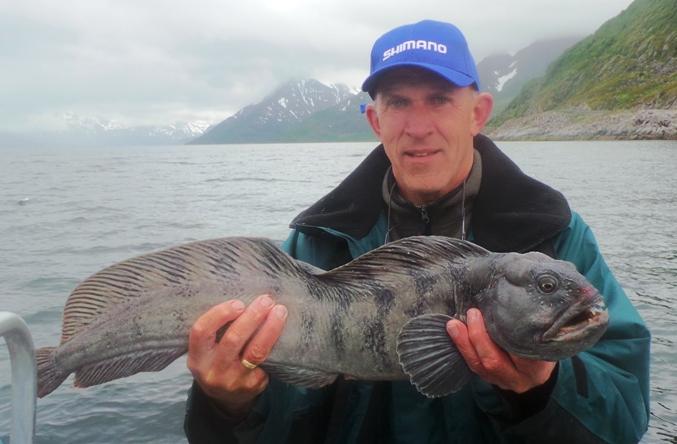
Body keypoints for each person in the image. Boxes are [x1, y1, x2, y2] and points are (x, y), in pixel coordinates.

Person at [184, 20, 650, 443]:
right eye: (398, 102)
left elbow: (626, 417)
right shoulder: (316, 244)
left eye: (440, 99)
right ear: (376, 120)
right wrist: (225, 404)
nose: (419, 127)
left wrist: (543, 388)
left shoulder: (555, 236)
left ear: (478, 113)